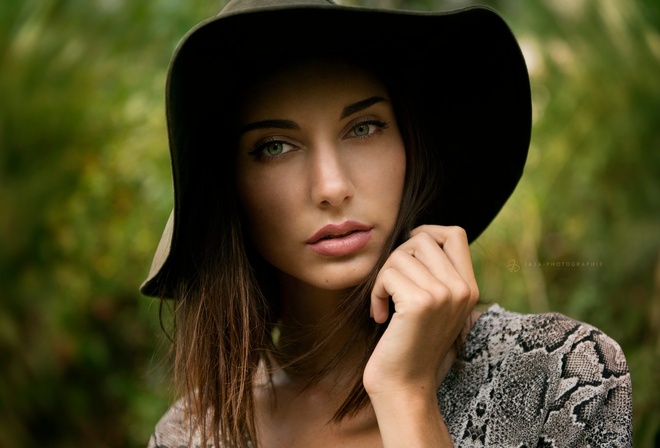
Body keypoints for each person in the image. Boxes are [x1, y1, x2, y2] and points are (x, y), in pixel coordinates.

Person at [141, 0, 633, 446]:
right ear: (231, 190)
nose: (331, 187)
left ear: (409, 147)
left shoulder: (563, 372)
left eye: (363, 127)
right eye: (274, 146)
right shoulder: (192, 435)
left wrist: (405, 394)